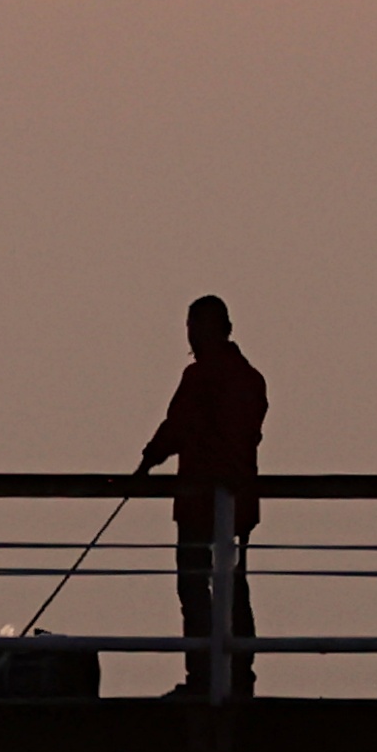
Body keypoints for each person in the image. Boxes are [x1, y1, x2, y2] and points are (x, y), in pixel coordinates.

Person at [138, 292, 268, 698]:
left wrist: (146, 462)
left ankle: (204, 677)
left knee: (194, 586)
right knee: (234, 586)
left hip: (199, 499)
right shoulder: (250, 378)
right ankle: (240, 675)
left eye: (194, 328)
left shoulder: (203, 378)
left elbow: (177, 426)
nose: (190, 337)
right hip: (239, 501)